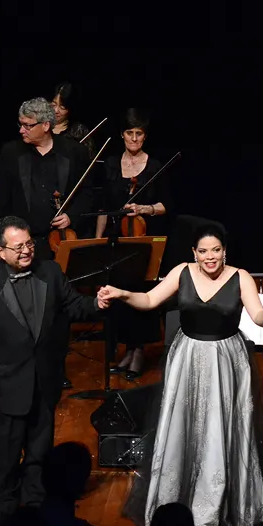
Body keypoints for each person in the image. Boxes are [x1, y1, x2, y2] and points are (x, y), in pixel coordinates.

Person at [97, 222, 263, 526]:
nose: (209, 257)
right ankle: (176, 504)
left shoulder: (241, 277)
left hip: (226, 359)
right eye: (203, 251)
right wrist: (122, 294)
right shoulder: (182, 271)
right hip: (187, 358)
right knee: (183, 426)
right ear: (194, 253)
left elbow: (257, 317)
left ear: (225, 251)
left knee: (219, 428)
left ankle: (213, 508)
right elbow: (149, 301)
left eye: (216, 250)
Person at [0, 216, 107, 526]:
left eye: (29, 243)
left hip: (44, 380)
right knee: (4, 457)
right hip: (5, 385)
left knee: (39, 454)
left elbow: (74, 305)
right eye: (18, 248)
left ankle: (38, 511)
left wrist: (97, 301)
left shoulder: (51, 271)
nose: (27, 251)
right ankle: (5, 516)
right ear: (0, 252)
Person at [97, 109, 171, 380]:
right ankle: (128, 349)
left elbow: (166, 206)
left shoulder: (155, 166)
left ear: (145, 136)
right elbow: (105, 207)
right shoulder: (111, 164)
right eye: (130, 133)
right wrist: (99, 240)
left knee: (141, 292)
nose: (135, 138)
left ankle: (139, 350)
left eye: (139, 133)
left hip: (145, 241)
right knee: (118, 294)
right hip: (118, 240)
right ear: (122, 135)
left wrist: (144, 209)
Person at [0, 97, 93, 261]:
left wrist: (71, 216)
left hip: (62, 239)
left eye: (28, 125)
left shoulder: (74, 151)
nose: (21, 130)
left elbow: (87, 193)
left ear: (45, 125)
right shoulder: (11, 152)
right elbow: (2, 201)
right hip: (25, 244)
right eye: (21, 124)